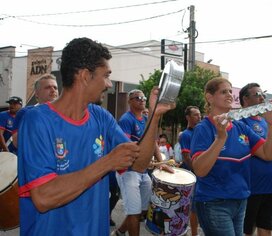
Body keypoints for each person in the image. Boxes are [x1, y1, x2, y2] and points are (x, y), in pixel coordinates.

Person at [17, 37, 174, 236]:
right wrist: (107, 162)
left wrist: (154, 116)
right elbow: (43, 197)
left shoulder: (101, 117)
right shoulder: (36, 121)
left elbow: (139, 164)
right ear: (84, 75)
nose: (108, 83)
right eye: (106, 75)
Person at [190, 77, 272, 236]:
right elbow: (200, 170)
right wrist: (220, 138)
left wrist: (271, 125)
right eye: (224, 92)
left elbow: (268, 154)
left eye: (231, 91)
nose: (230, 95)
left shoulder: (240, 126)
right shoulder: (204, 128)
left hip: (240, 200)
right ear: (210, 97)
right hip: (214, 203)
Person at [116, 89, 169, 236]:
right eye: (137, 97)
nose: (142, 99)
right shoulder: (126, 120)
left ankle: (120, 232)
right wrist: (143, 157)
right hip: (129, 171)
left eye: (143, 97)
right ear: (130, 101)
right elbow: (125, 145)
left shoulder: (146, 119)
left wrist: (161, 162)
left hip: (144, 171)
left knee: (144, 210)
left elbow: (153, 143)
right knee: (134, 212)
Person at [238, 83, 272, 236]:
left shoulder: (266, 121)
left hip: (271, 184)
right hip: (252, 186)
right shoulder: (240, 122)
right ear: (245, 99)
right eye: (257, 94)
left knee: (266, 228)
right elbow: (257, 150)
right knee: (247, 229)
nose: (262, 98)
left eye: (263, 95)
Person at [12, 73, 59, 147]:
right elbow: (17, 143)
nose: (53, 90)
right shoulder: (25, 113)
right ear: (37, 93)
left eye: (55, 87)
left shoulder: (65, 113)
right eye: (48, 87)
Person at [179, 105, 202, 236]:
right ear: (188, 117)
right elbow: (186, 157)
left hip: (202, 174)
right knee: (192, 207)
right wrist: (198, 170)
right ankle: (194, 233)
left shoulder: (202, 131)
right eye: (195, 115)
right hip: (192, 175)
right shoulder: (186, 135)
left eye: (199, 114)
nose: (199, 117)